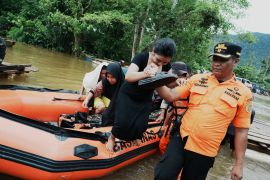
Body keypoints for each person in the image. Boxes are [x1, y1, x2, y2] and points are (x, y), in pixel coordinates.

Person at [154, 42, 253, 180]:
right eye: (215, 59)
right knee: (162, 176)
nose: (216, 63)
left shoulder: (244, 93)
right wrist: (155, 78)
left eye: (223, 60)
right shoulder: (197, 79)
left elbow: (241, 130)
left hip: (205, 150)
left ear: (236, 61)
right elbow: (170, 95)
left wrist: (239, 164)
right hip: (180, 139)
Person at [106, 38, 177, 151]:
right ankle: (112, 138)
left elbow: (168, 83)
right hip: (128, 94)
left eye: (165, 62)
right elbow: (129, 76)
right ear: (153, 51)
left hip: (145, 97)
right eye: (159, 60)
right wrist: (146, 73)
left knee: (141, 124)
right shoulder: (142, 57)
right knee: (122, 122)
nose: (161, 64)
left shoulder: (166, 65)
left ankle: (135, 137)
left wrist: (177, 81)